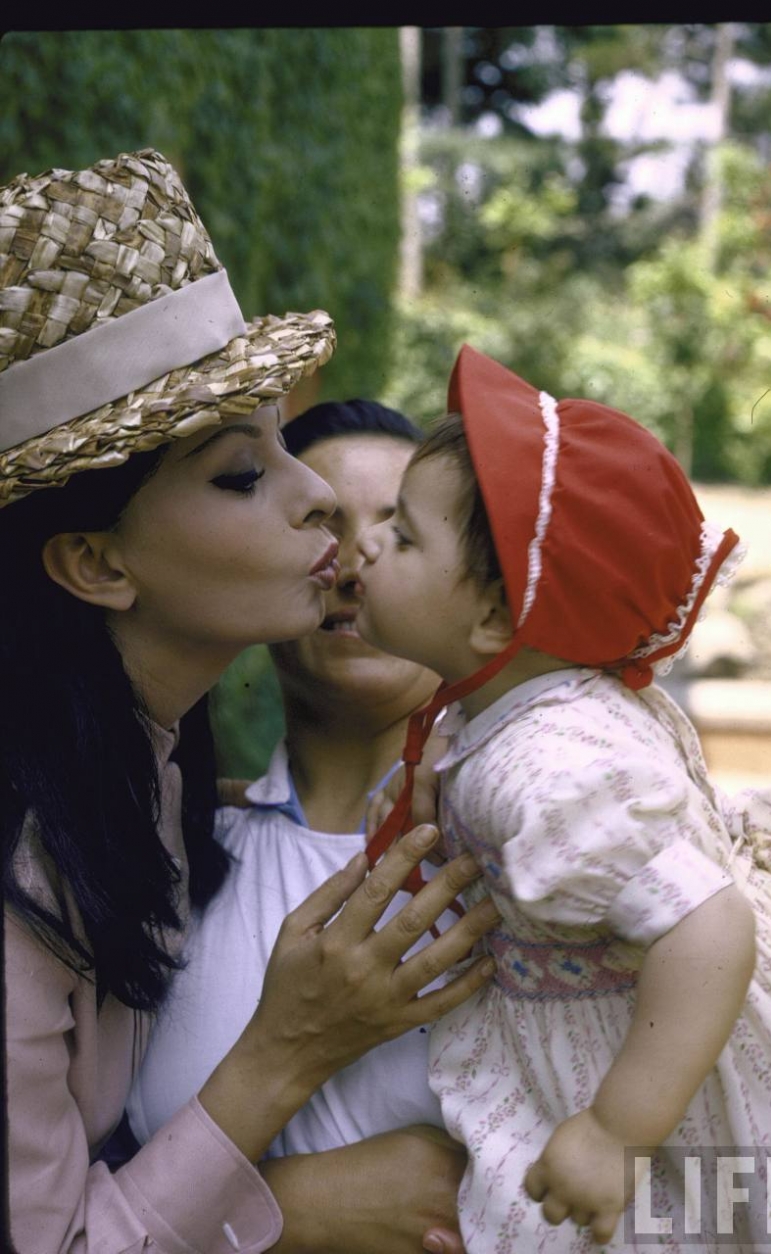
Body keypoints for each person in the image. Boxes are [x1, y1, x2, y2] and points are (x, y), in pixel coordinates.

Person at [0, 151, 498, 1254]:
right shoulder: (26, 865)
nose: (321, 499)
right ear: (94, 562)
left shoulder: (150, 796)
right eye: (240, 472)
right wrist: (288, 1074)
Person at [354, 345, 771, 1252]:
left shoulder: (542, 764)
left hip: (660, 1082)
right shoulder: (527, 706)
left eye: (403, 535)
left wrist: (616, 1130)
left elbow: (708, 928)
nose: (366, 541)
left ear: (496, 618)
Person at [126, 398, 474, 1253]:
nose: (357, 565)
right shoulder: (153, 856)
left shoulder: (552, 861)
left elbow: (734, 1182)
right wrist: (290, 1213)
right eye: (327, 523)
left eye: (402, 533)